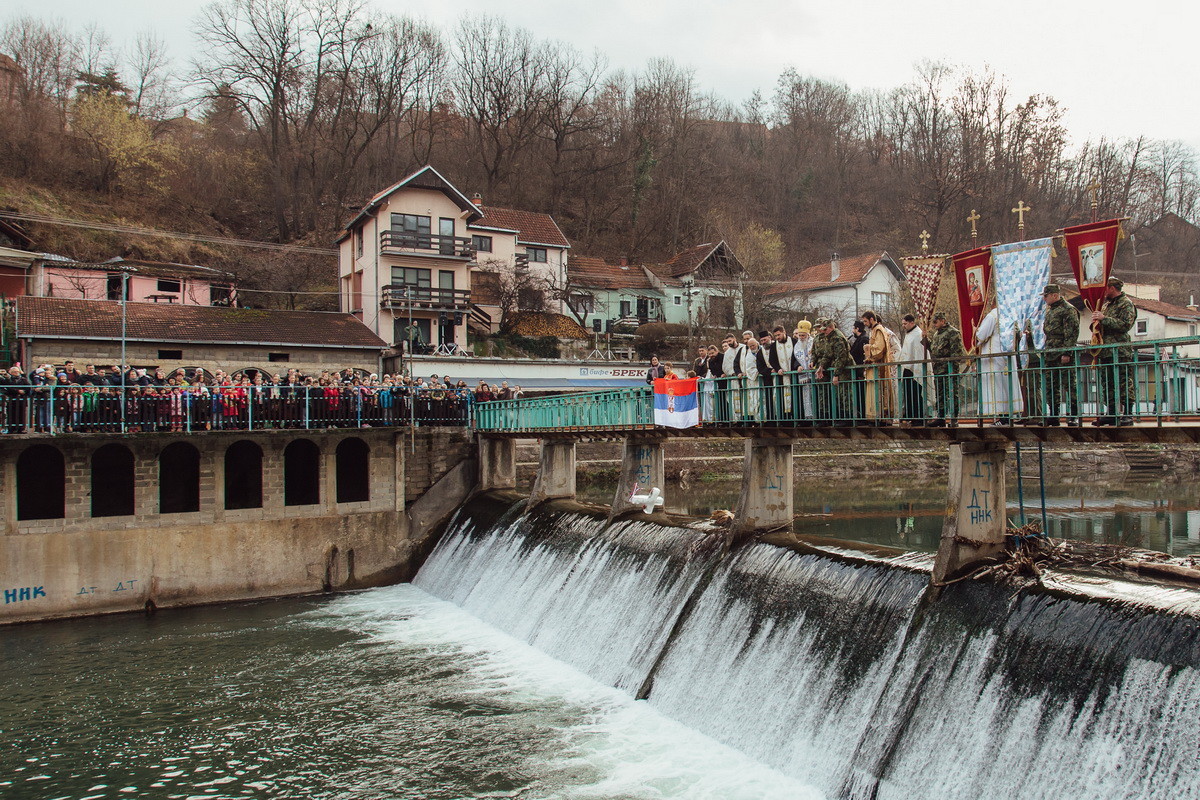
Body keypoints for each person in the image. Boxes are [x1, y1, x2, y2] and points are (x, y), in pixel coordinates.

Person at [1092, 276, 1137, 426]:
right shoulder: (1106, 305)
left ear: (1112, 288)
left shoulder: (1126, 303)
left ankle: (1128, 414)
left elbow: (1125, 325)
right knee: (1107, 382)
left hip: (1120, 349)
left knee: (1123, 381)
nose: (1103, 292)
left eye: (1105, 288)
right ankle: (1111, 413)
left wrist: (1104, 319)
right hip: (1106, 350)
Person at [1041, 283, 1081, 426]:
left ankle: (1074, 415)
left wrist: (1067, 353)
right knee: (1051, 385)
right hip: (1051, 352)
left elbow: (1072, 333)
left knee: (1069, 384)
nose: (1044, 299)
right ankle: (1054, 414)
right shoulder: (1051, 311)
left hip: (1063, 353)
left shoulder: (1068, 310)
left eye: (1046, 296)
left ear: (1054, 295)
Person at [975, 305, 1020, 424]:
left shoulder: (992, 315)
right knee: (1006, 385)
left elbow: (981, 336)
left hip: (994, 356)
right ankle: (1008, 415)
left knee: (997, 386)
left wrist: (975, 330)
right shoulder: (1010, 315)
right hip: (1007, 354)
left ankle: (1003, 416)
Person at [925, 312, 965, 427]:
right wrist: (925, 340)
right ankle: (941, 417)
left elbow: (957, 353)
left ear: (942, 321)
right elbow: (934, 350)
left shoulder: (952, 332)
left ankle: (954, 418)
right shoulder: (937, 334)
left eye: (936, 322)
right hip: (939, 369)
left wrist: (953, 368)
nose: (934, 324)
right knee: (940, 394)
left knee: (952, 393)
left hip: (949, 369)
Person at [811, 317, 852, 424]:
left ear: (831, 327)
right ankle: (839, 417)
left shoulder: (837, 338)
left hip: (844, 369)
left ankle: (847, 417)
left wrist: (836, 374)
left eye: (825, 329)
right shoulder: (829, 337)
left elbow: (841, 357)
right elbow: (827, 354)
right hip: (837, 367)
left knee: (844, 393)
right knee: (838, 393)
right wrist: (821, 366)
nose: (823, 332)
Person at [861, 310, 898, 425]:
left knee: (880, 391)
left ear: (872, 319)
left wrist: (868, 348)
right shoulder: (874, 330)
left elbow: (879, 348)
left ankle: (881, 416)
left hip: (879, 367)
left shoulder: (878, 330)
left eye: (865, 321)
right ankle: (876, 416)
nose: (864, 324)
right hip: (875, 367)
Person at [898, 314, 928, 425]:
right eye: (902, 324)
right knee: (908, 393)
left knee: (915, 394)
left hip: (915, 369)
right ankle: (909, 414)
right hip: (907, 368)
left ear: (912, 322)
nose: (903, 326)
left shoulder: (917, 334)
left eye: (905, 324)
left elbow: (918, 352)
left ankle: (918, 417)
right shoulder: (909, 334)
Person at [790, 320, 814, 424]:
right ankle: (808, 418)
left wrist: (814, 362)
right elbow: (794, 359)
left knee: (815, 395)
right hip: (803, 375)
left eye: (803, 335)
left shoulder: (814, 342)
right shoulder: (797, 345)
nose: (801, 337)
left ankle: (818, 417)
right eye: (799, 335)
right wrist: (798, 366)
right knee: (806, 396)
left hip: (813, 373)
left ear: (808, 334)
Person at [847, 320, 869, 421]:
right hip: (858, 370)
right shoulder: (860, 339)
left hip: (860, 371)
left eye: (853, 328)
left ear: (857, 329)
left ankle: (862, 416)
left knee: (861, 394)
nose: (852, 331)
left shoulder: (863, 339)